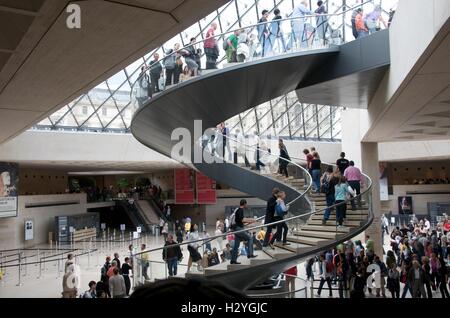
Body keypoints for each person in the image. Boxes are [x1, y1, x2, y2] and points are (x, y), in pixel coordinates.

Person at [230, 199, 257, 264]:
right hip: (238, 229)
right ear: (244, 204)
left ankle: (233, 260)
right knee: (250, 238)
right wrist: (251, 221)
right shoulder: (241, 210)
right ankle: (250, 254)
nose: (246, 205)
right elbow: (242, 220)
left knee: (236, 245)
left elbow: (239, 221)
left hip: (236, 228)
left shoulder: (237, 210)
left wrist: (248, 222)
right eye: (246, 204)